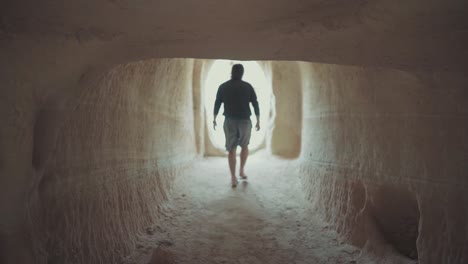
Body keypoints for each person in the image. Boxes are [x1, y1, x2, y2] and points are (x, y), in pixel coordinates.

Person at [213, 64, 260, 187]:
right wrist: (258, 120)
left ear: (231, 72)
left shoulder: (223, 87)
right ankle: (241, 170)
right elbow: (255, 103)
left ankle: (233, 177)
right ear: (242, 73)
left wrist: (214, 118)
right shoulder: (247, 86)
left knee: (231, 149)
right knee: (245, 146)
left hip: (229, 121)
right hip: (245, 121)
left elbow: (217, 103)